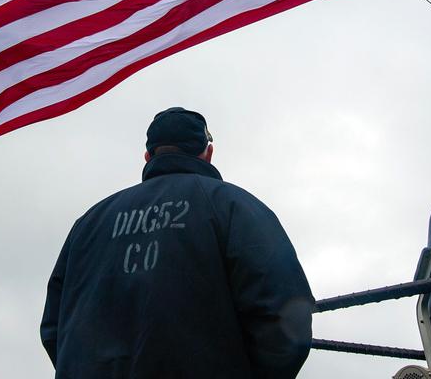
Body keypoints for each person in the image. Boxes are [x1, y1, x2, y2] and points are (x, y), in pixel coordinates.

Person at [41, 107, 315, 378]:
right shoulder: (237, 208)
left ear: (148, 156)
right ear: (208, 154)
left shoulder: (87, 224)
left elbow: (54, 329)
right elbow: (285, 318)